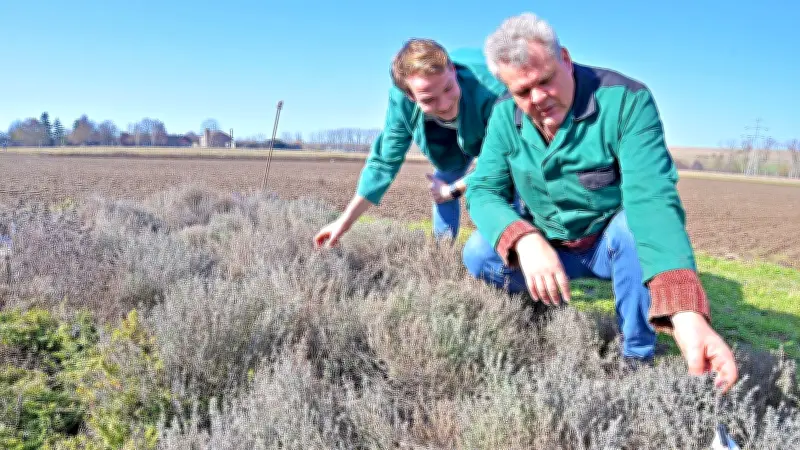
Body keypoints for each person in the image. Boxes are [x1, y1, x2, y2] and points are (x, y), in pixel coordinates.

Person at [463, 13, 738, 391]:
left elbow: (652, 200)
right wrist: (524, 239)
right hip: (547, 245)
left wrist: (685, 311)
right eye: (522, 92)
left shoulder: (627, 101)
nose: (538, 99)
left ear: (565, 58)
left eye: (545, 81)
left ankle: (636, 356)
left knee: (632, 231)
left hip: (606, 247)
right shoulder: (503, 117)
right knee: (479, 252)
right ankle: (541, 304)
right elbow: (483, 191)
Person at [314, 39, 508, 248]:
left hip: (496, 139)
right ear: (410, 95)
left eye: (448, 88)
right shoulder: (401, 101)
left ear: (452, 69)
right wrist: (343, 222)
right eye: (429, 99)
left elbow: (505, 161)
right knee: (440, 183)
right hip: (448, 145)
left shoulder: (495, 89)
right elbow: (383, 163)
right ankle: (442, 255)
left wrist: (452, 190)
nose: (444, 104)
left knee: (497, 195)